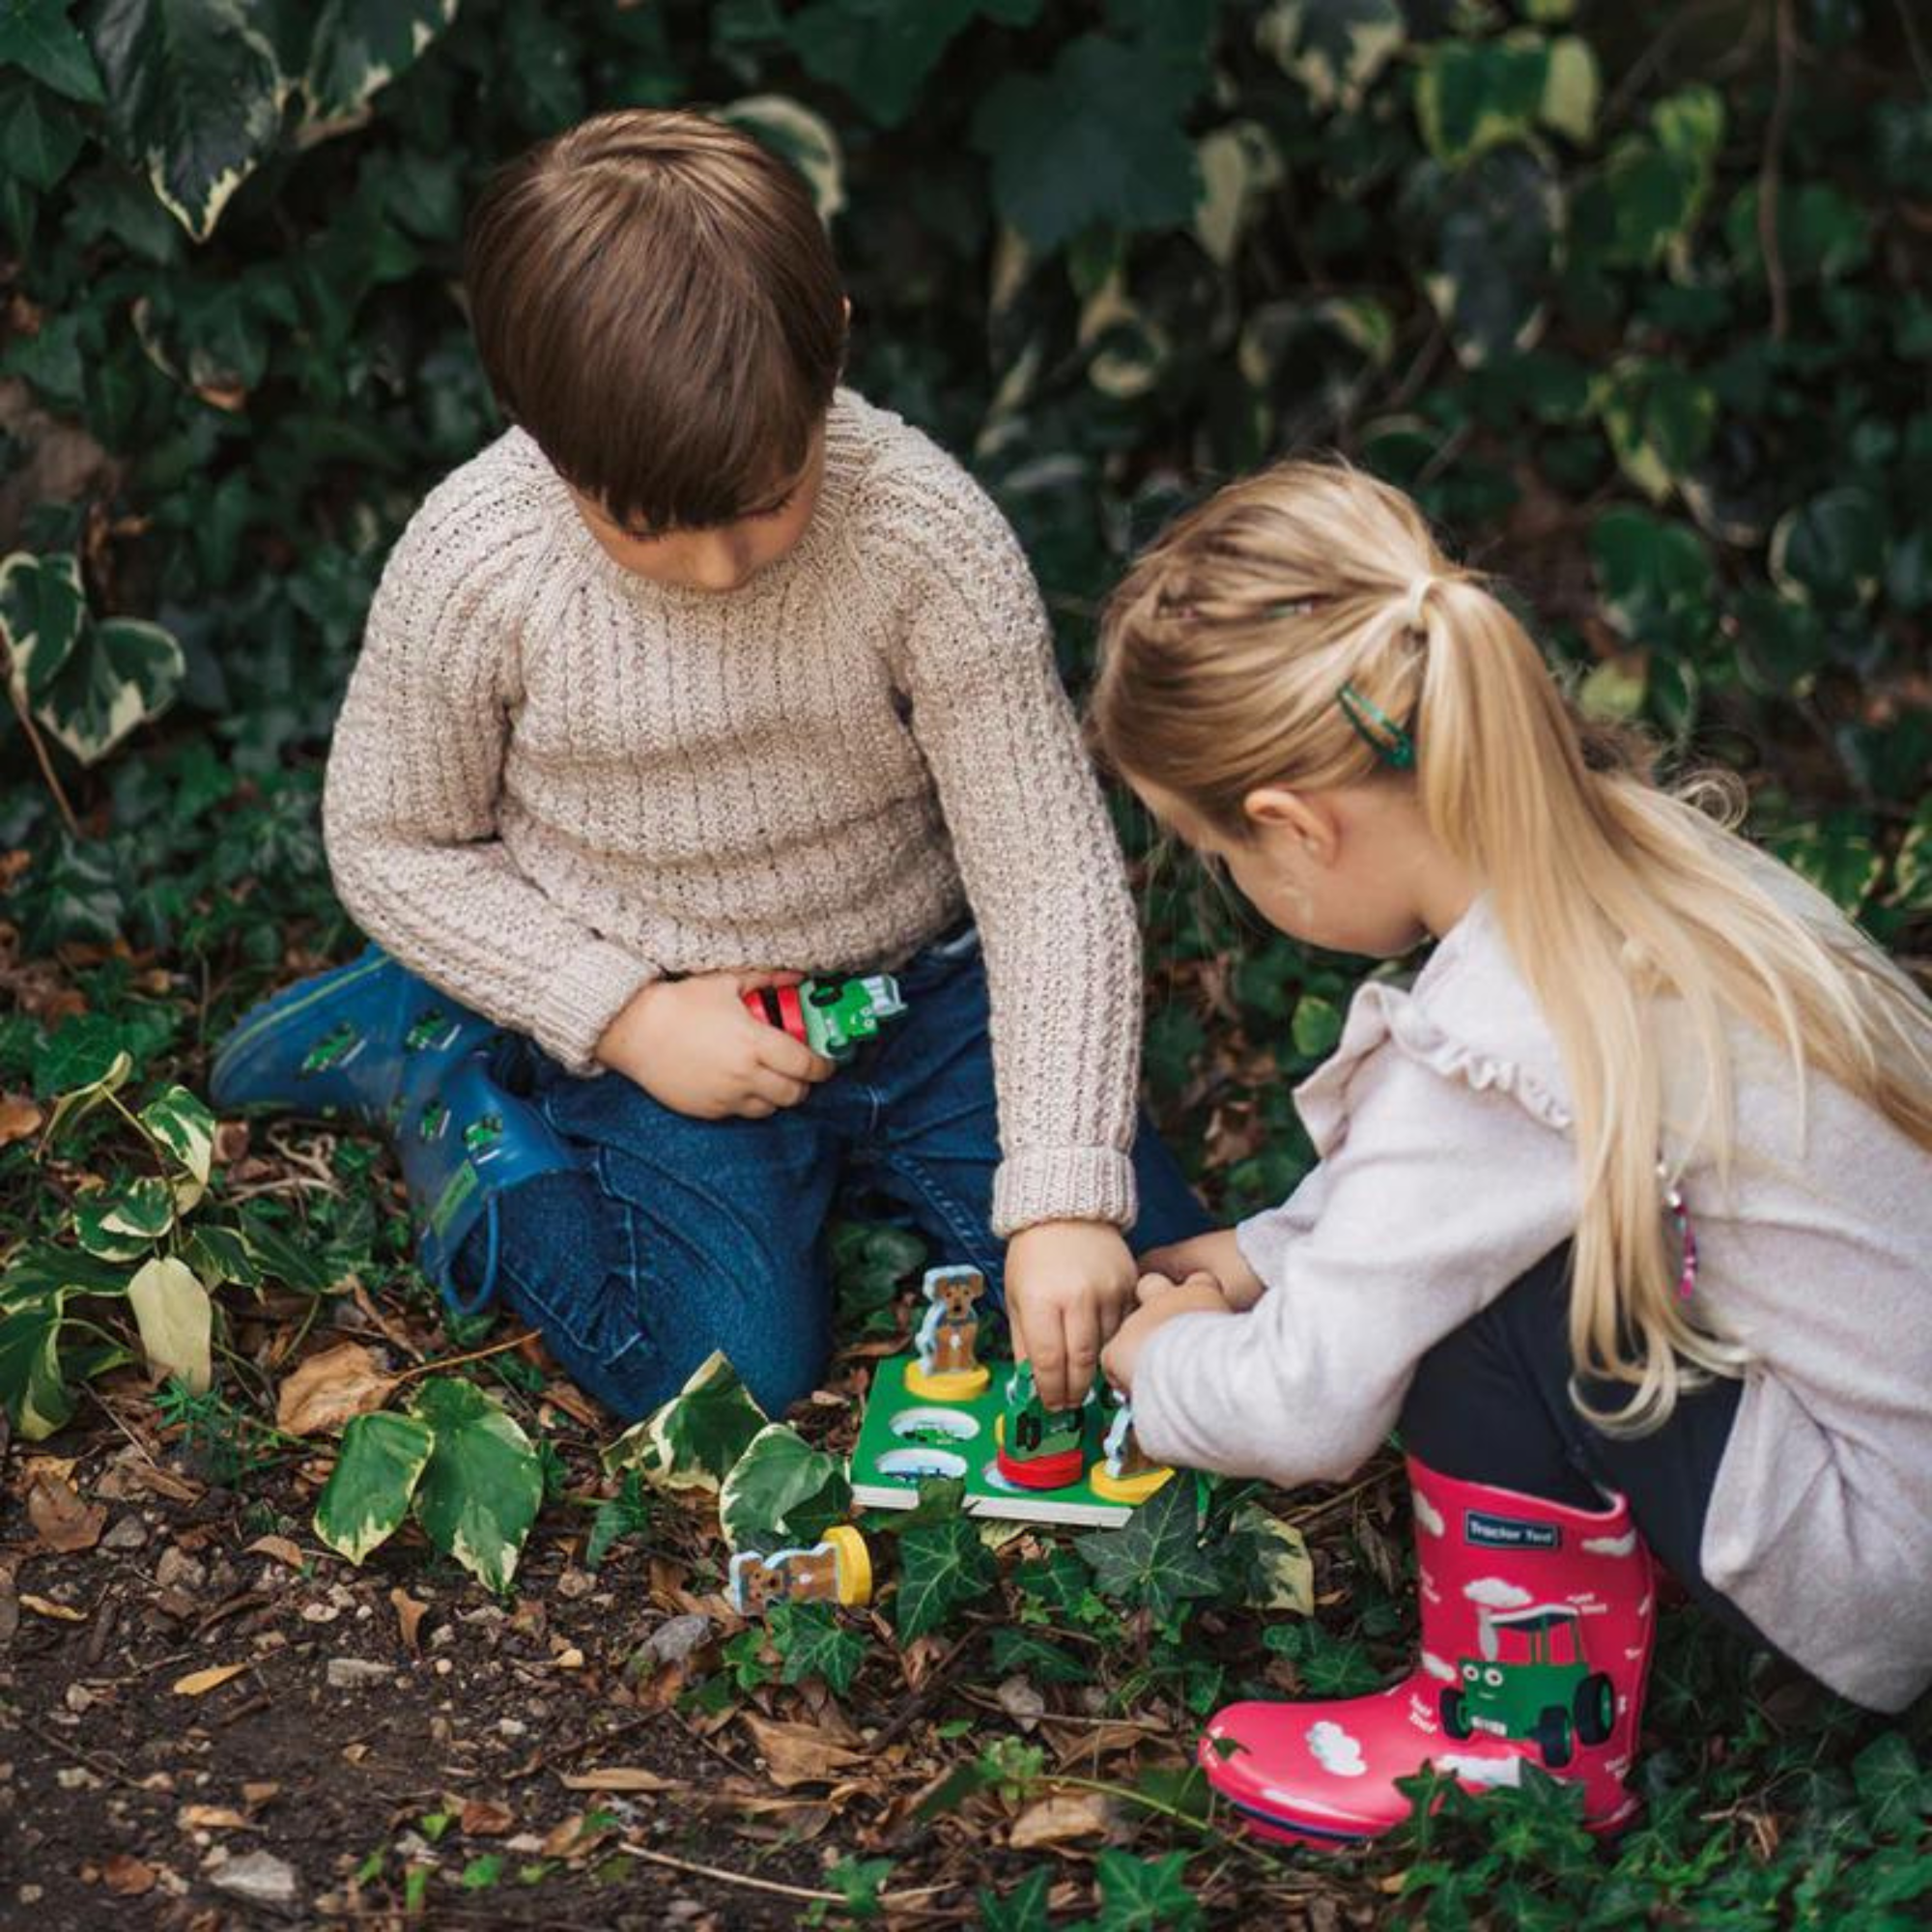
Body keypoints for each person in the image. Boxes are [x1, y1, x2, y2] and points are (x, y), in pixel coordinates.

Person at [210, 108, 1207, 1423]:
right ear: (542, 436)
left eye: (767, 499)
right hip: (657, 1001)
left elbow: (1048, 877)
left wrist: (1068, 1192)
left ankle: (893, 1161)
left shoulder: (925, 543)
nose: (723, 567)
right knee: (722, 1376)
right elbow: (395, 840)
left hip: (922, 993)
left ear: (833, 343)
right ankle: (445, 1065)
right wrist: (620, 1013)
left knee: (1142, 1303)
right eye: (647, 528)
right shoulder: (479, 567)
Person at [1088, 459, 1932, 1846]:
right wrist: (1254, 1254)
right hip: (1905, 1482)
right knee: (1512, 1245)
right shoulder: (1630, 863)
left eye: (1217, 856)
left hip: (1882, 1564)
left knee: (1498, 1304)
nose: (1232, 888)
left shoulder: (1503, 1034)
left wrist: (1158, 1360)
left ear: (1296, 829)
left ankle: (1507, 1739)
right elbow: (1437, 1192)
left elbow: (1310, 1400)